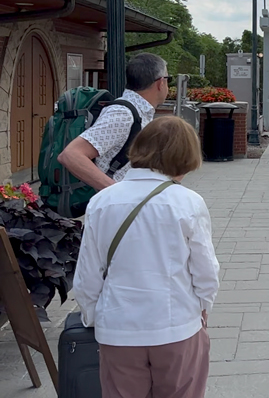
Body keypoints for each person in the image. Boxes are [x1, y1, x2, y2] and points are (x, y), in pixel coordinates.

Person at [73, 116, 219, 398]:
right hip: (176, 325)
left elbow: (88, 274)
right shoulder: (188, 202)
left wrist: (94, 316)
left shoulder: (102, 201)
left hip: (118, 329)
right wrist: (202, 306)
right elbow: (205, 270)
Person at [59, 53, 171, 192]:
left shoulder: (138, 112)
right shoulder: (123, 114)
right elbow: (71, 155)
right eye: (168, 79)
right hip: (118, 208)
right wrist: (116, 192)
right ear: (160, 82)